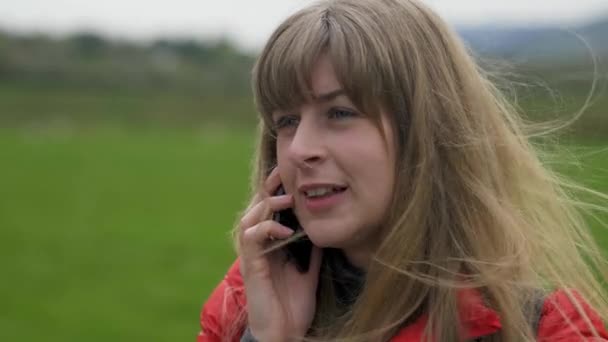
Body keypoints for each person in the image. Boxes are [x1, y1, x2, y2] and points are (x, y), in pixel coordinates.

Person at [198, 0, 608, 341]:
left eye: (340, 112)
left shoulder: (545, 330)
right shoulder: (245, 305)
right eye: (286, 121)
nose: (300, 149)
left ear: (427, 133)